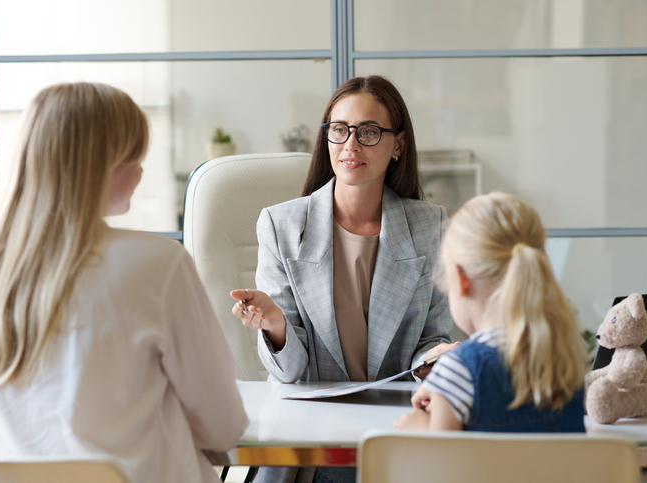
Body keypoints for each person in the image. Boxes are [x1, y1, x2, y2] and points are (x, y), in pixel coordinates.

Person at [0, 82, 248, 483]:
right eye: (132, 156)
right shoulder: (156, 264)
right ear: (93, 163)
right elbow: (223, 425)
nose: (142, 170)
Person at [230, 76, 456, 483]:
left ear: (398, 145)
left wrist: (441, 359)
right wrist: (276, 325)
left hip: (392, 427)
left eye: (369, 132)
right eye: (339, 130)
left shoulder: (429, 225)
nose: (350, 144)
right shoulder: (281, 225)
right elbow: (290, 372)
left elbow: (429, 340)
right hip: (309, 439)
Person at [394, 192, 586, 433]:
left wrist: (421, 428)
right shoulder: (565, 357)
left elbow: (442, 468)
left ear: (461, 279)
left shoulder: (459, 368)